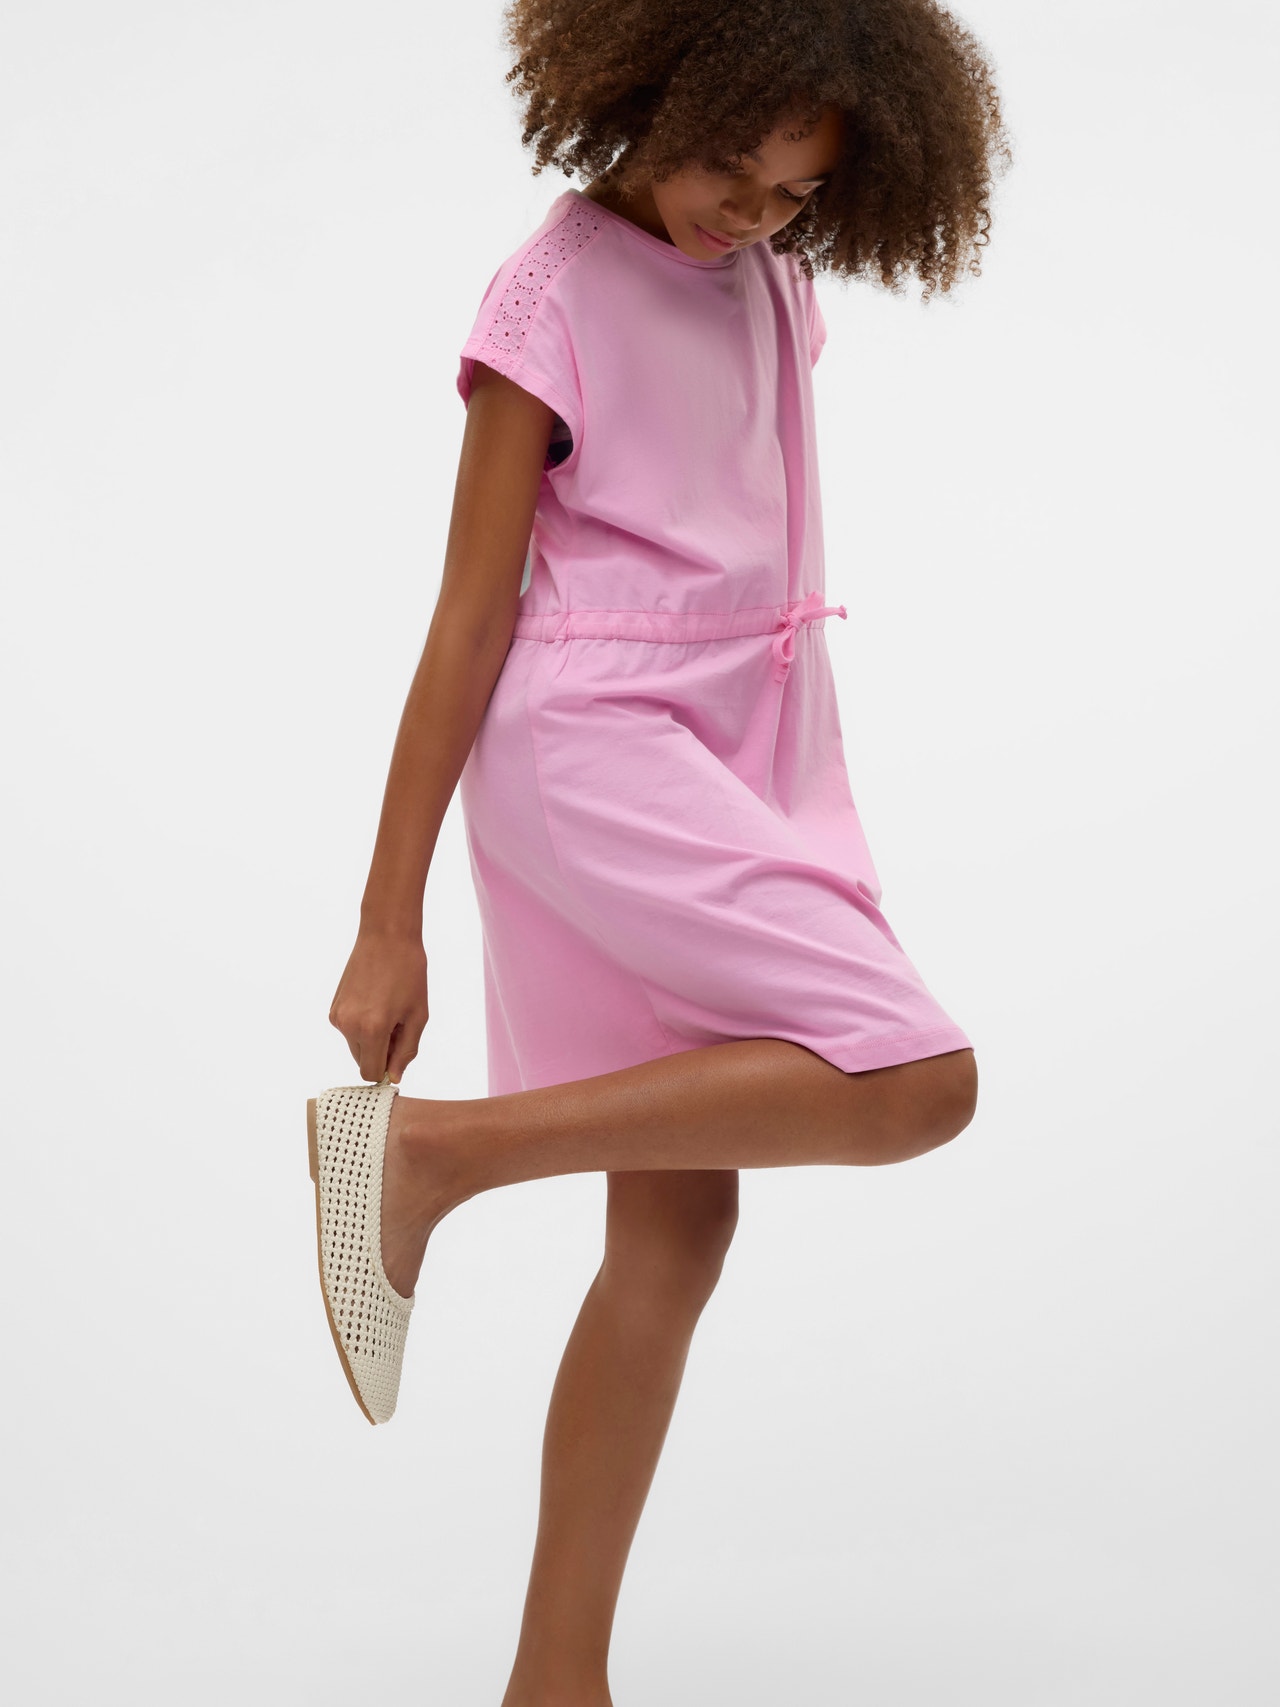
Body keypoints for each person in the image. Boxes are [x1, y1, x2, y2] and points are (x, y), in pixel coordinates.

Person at [306, 2, 1011, 1700]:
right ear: (651, 93)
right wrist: (387, 918)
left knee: (678, 1236)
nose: (749, 215)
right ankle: (433, 1158)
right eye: (728, 170)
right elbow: (467, 618)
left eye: (794, 194)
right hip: (597, 747)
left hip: (742, 743)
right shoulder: (547, 301)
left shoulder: (765, 276)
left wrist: (767, 233)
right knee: (917, 1078)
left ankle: (555, 1684)